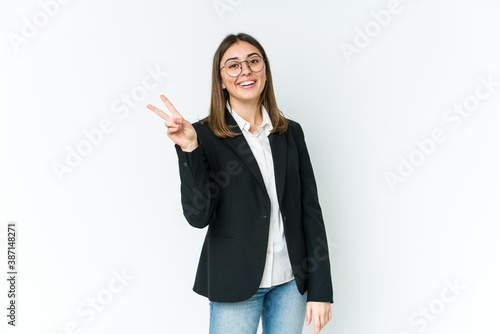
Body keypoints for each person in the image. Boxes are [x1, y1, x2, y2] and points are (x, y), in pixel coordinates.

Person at [147, 32, 334, 334]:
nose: (245, 70)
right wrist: (190, 150)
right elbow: (198, 217)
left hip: (290, 282)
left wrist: (321, 290)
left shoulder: (290, 133)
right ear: (221, 80)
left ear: (265, 71)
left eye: (253, 62)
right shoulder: (202, 135)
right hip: (234, 282)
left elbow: (310, 211)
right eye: (233, 65)